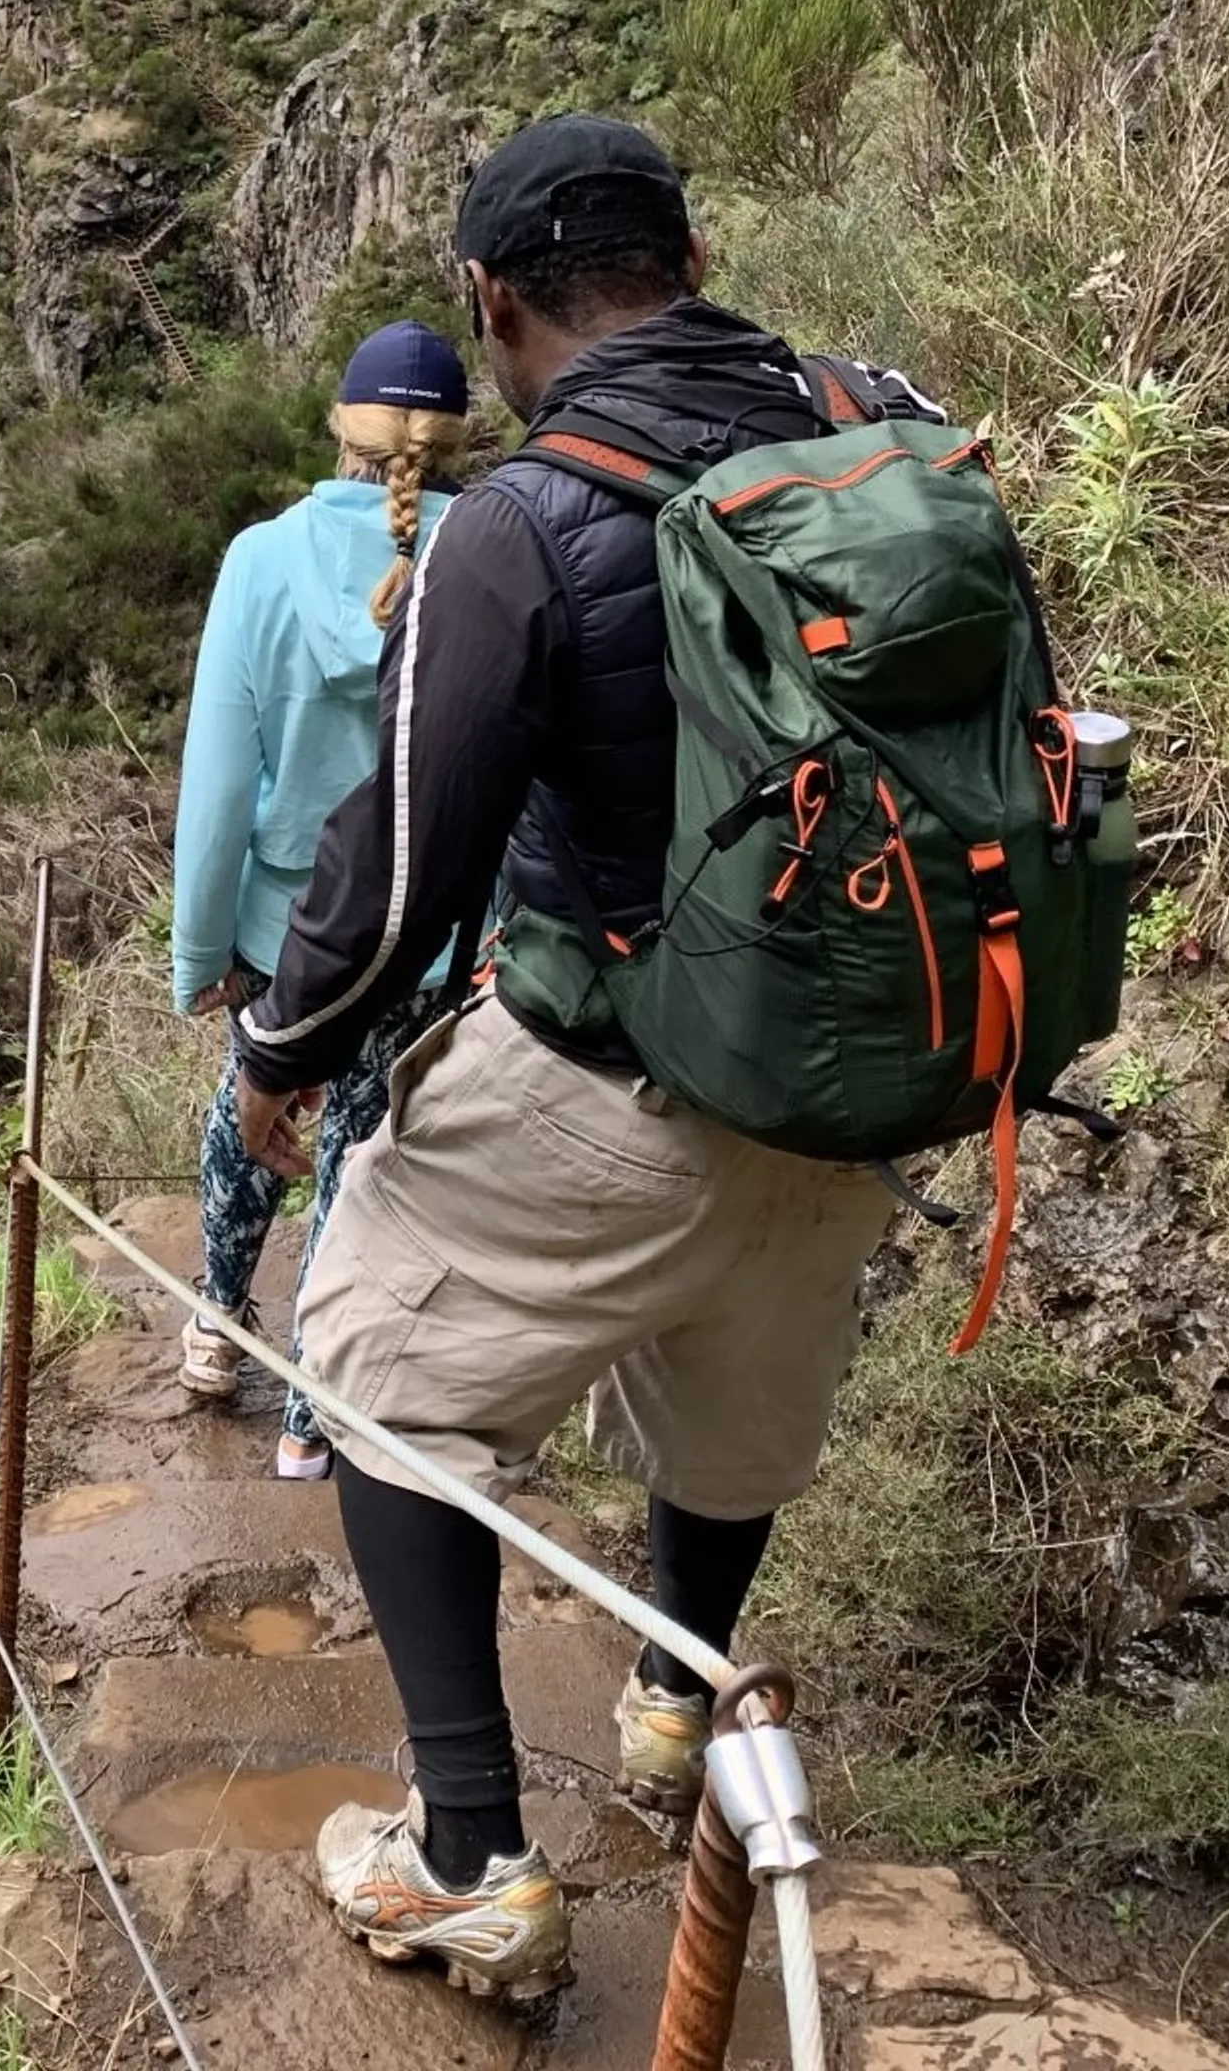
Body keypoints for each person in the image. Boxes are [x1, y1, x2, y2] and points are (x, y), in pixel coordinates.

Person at [226, 114, 940, 2004]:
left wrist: (276, 1059)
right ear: (690, 262)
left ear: (491, 304)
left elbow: (397, 871)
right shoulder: (883, 429)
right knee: (734, 1392)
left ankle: (468, 1852)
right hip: (871, 1071)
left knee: (372, 1351)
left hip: (625, 1076)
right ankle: (670, 1708)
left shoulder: (527, 527)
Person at [171, 322, 474, 1478]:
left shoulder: (262, 560)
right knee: (360, 1153)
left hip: (281, 933)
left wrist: (201, 954)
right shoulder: (486, 557)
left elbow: (217, 788)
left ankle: (215, 1319)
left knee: (253, 1113)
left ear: (338, 433)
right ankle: (311, 1416)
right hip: (428, 939)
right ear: (454, 444)